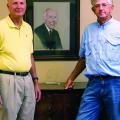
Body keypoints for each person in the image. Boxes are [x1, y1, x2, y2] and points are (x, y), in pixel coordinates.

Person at [65, 0, 120, 119]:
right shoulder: (88, 30)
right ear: (93, 10)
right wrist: (71, 78)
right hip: (93, 83)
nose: (101, 8)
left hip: (115, 84)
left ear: (111, 8)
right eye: (97, 6)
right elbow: (83, 58)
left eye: (104, 5)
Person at [0, 0, 41, 120]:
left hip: (27, 80)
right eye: (15, 3)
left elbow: (30, 56)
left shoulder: (27, 28)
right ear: (8, 6)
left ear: (26, 6)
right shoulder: (1, 26)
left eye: (22, 3)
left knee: (28, 117)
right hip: (7, 80)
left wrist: (36, 81)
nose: (19, 6)